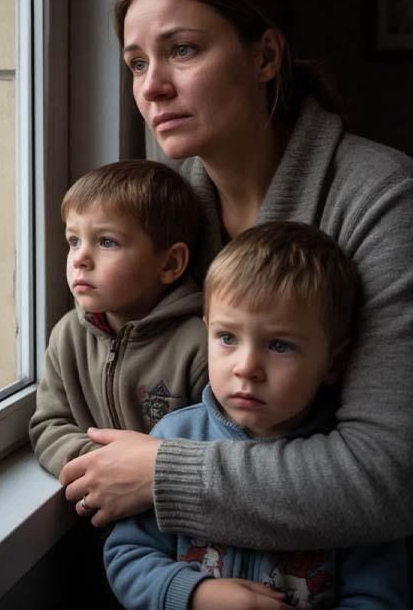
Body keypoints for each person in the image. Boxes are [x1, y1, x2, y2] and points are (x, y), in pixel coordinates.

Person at [59, 0, 413, 558]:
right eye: (137, 64)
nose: (153, 88)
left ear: (266, 56)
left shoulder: (382, 199)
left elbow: (387, 478)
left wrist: (161, 472)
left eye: (183, 50)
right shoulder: (159, 222)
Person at [104, 221, 409, 610]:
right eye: (227, 338)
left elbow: (379, 596)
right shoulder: (172, 437)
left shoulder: (341, 471)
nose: (246, 367)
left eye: (279, 345)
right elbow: (128, 555)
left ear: (333, 361)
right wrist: (194, 594)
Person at [29, 159, 208, 478]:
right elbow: (49, 425)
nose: (80, 258)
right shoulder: (68, 336)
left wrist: (143, 473)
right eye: (74, 241)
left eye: (107, 242)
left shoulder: (199, 346)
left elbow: (219, 442)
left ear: (169, 264)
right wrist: (98, 465)